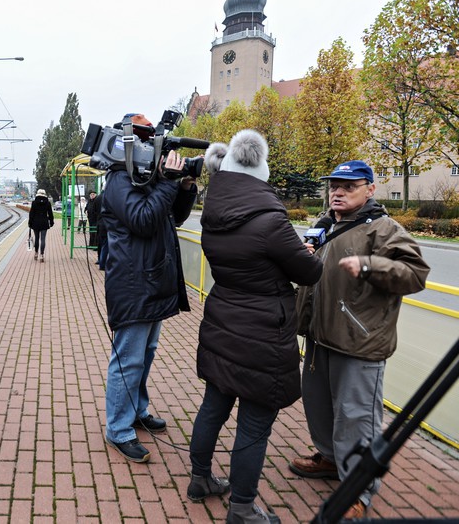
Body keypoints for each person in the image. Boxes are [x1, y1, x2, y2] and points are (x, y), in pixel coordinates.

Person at [188, 130, 324, 524]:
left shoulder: (212, 216)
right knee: (254, 422)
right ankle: (243, 508)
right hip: (262, 332)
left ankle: (199, 480)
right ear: (258, 171)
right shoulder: (270, 221)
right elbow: (309, 271)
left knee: (213, 406)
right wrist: (305, 252)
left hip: (222, 320)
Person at [290, 160, 430, 520]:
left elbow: (415, 274)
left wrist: (369, 265)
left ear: (370, 189)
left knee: (356, 418)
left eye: (348, 186)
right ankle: (329, 458)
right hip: (320, 336)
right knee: (319, 406)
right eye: (334, 185)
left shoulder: (383, 229)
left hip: (359, 342)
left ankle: (358, 488)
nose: (337, 191)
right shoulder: (323, 226)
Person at [100, 112, 197, 463]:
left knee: (146, 354)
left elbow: (173, 217)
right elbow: (142, 220)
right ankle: (119, 429)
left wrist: (183, 187)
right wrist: (168, 183)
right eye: (141, 141)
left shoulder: (144, 180)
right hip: (133, 284)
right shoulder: (118, 181)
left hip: (151, 281)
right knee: (128, 359)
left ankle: (137, 411)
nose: (148, 149)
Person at [28, 188, 54, 262]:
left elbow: (31, 213)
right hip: (44, 222)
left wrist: (30, 222)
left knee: (36, 238)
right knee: (43, 239)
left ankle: (36, 253)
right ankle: (42, 255)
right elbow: (50, 213)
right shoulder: (47, 203)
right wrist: (51, 222)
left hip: (35, 222)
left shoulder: (34, 202)